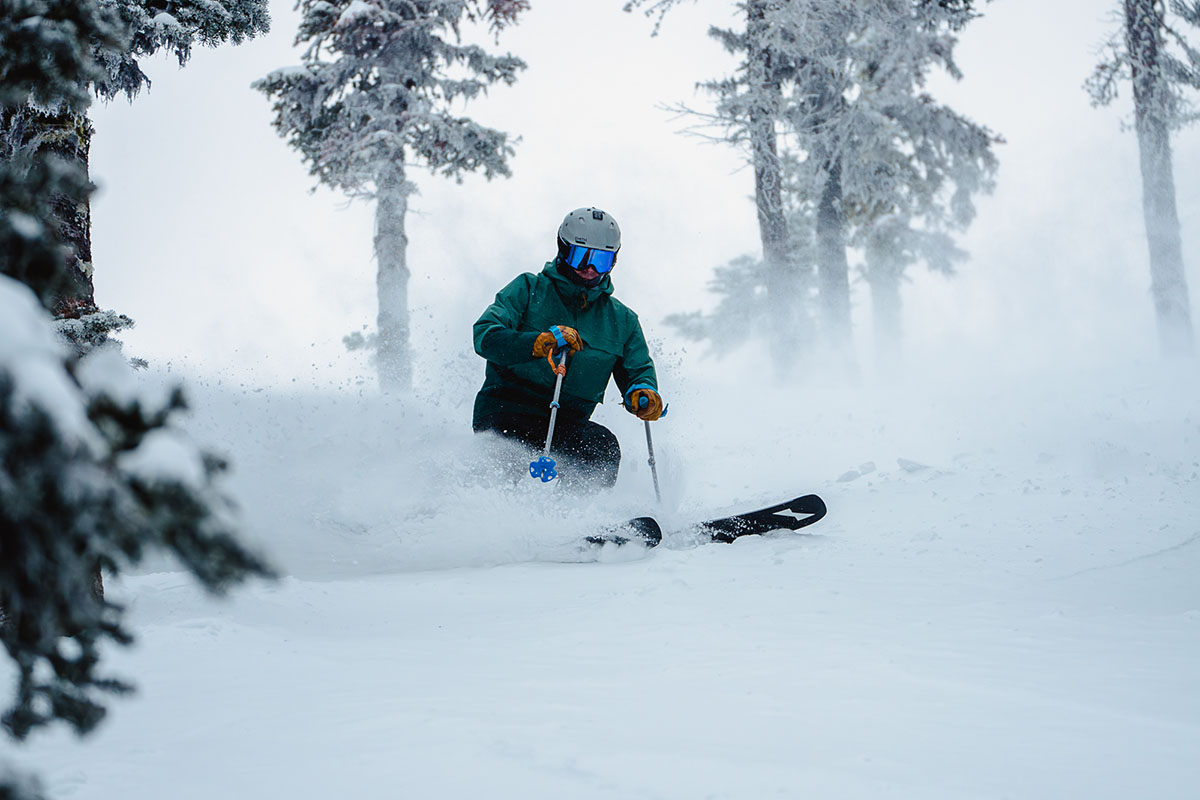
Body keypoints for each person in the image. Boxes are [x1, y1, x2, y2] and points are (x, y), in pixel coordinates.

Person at [472, 206, 664, 489]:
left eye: (601, 260)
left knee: (602, 446)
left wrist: (643, 391)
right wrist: (535, 343)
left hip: (565, 423)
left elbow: (638, 370)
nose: (590, 268)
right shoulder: (528, 289)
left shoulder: (621, 320)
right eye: (581, 257)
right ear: (563, 250)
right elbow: (485, 335)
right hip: (506, 411)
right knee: (506, 451)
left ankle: (577, 523)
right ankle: (491, 514)